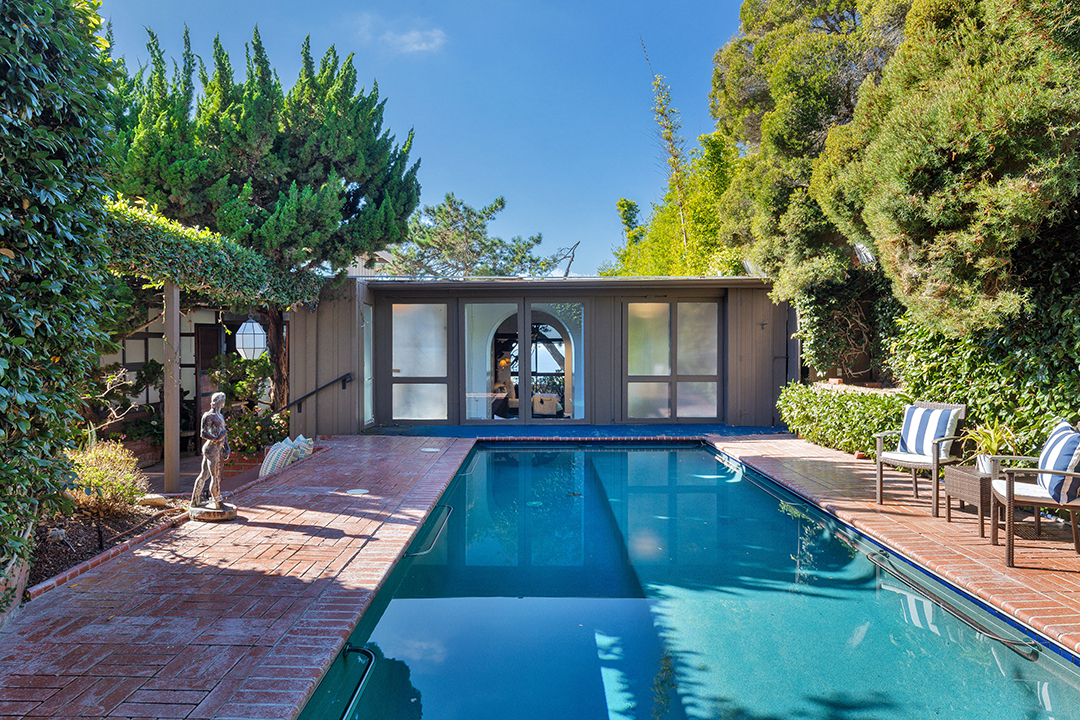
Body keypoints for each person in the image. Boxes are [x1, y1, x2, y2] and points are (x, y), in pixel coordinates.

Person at [190, 392, 230, 509]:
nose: (224, 402)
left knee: (205, 474)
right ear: (220, 402)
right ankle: (218, 502)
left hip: (217, 448)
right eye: (223, 400)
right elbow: (203, 433)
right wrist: (216, 439)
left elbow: (224, 432)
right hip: (212, 448)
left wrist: (227, 447)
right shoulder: (209, 416)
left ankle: (194, 501)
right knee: (215, 476)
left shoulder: (220, 416)